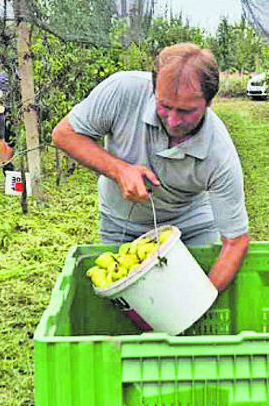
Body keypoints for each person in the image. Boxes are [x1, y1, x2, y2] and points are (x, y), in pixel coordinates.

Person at [51, 43, 250, 292]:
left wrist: (201, 301)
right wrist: (120, 170)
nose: (173, 120)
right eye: (165, 106)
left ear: (209, 102)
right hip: (120, 224)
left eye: (186, 111)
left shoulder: (218, 153)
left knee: (184, 293)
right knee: (125, 305)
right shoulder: (123, 91)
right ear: (153, 88)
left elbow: (236, 241)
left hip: (189, 227)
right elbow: (64, 134)